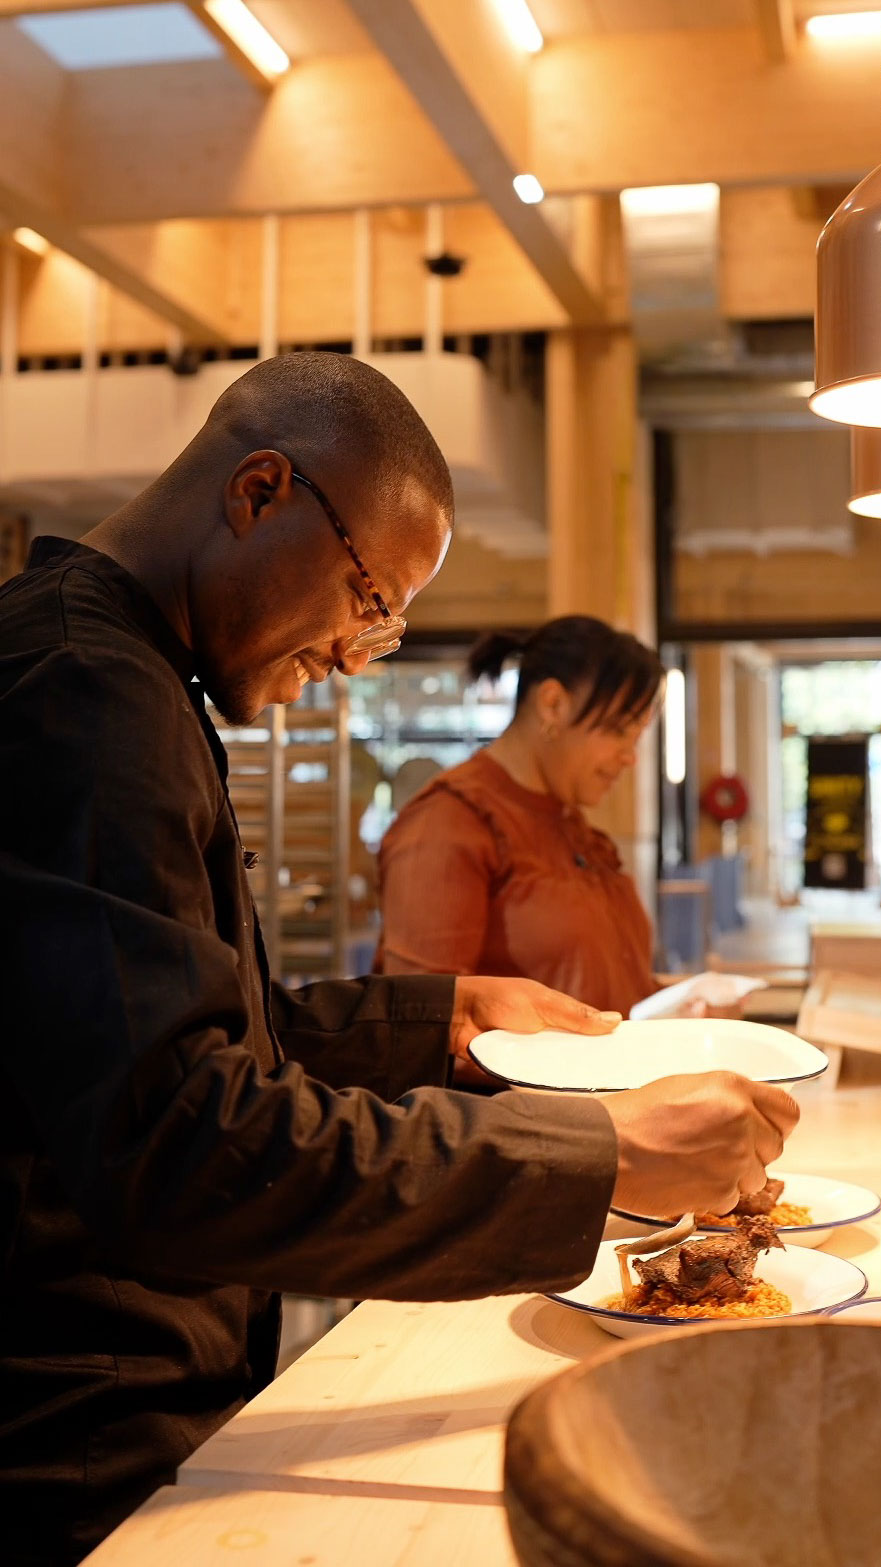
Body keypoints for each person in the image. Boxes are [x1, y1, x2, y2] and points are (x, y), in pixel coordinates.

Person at [0, 353, 798, 1566]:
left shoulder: (127, 679)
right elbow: (181, 1136)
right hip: (70, 1435)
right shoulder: (86, 692)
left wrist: (438, 1016)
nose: (354, 649)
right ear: (260, 490)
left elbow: (190, 1034)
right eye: (367, 597)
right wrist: (604, 1153)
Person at [377, 618, 672, 1016]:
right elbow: (421, 1023)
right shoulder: (449, 822)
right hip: (513, 1082)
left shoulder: (567, 822)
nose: (630, 757)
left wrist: (678, 1013)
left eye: (636, 738)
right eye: (618, 730)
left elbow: (608, 983)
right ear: (552, 704)